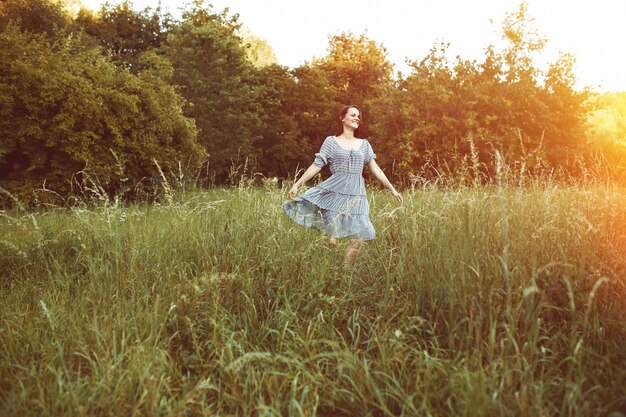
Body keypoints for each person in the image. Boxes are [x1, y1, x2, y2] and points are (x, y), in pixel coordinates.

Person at [284, 105, 403, 266]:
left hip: (357, 195)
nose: (356, 118)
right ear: (342, 118)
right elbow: (317, 165)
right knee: (332, 240)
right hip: (334, 193)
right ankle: (322, 266)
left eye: (358, 116)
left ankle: (345, 274)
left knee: (359, 236)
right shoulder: (331, 142)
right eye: (353, 115)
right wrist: (297, 185)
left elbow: (375, 168)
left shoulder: (364, 144)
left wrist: (393, 190)